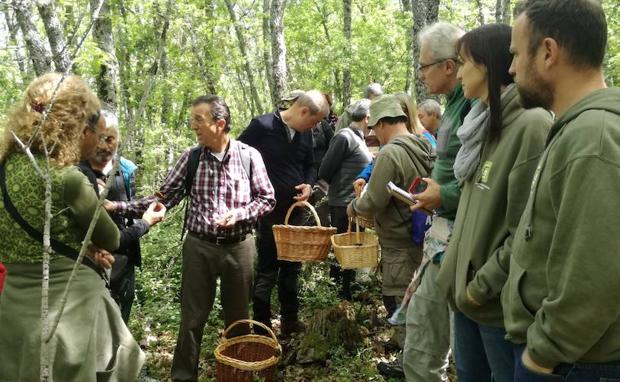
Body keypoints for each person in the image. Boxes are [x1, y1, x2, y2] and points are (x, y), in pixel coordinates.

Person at [107, 95, 275, 382]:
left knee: (238, 320)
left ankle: (235, 375)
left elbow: (267, 198)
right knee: (192, 319)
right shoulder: (192, 157)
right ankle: (183, 377)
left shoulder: (249, 156)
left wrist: (241, 215)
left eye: (199, 119)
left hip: (240, 247)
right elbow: (163, 198)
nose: (192, 126)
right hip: (199, 247)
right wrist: (119, 207)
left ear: (219, 124)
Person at [502, 1, 620, 380]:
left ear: (549, 52)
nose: (512, 68)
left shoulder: (593, 139)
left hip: (573, 364)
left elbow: (596, 276)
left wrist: (543, 353)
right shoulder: (579, 129)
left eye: (517, 54)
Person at [0, 73, 144, 381]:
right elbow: (111, 237)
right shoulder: (66, 179)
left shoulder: (4, 170)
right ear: (75, 128)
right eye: (91, 128)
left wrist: (81, 246)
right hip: (72, 311)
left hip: (14, 312)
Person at [433, 24, 552, 382]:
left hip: (495, 307)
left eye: (464, 62)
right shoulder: (482, 123)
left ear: (487, 66)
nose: (460, 72)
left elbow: (528, 229)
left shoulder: (531, 125)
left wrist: (478, 288)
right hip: (467, 301)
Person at [400, 22, 471, 382]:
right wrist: (436, 190)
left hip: (464, 243)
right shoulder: (454, 107)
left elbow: (492, 185)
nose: (421, 73)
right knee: (422, 334)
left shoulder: (478, 107)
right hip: (440, 237)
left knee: (464, 350)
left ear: (448, 65)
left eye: (425, 65)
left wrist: (444, 194)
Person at [238, 89, 328, 336]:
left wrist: (309, 185)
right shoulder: (262, 126)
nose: (316, 125)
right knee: (268, 270)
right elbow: (236, 158)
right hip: (268, 214)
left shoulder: (306, 133)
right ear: (303, 111)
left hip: (296, 213)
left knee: (291, 270)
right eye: (315, 120)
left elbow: (310, 164)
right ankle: (262, 326)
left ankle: (289, 322)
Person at [347, 95, 434, 318]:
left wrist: (355, 206)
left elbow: (373, 200)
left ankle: (407, 351)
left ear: (383, 123)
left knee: (399, 304)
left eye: (375, 128)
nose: (374, 133)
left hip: (398, 240)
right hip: (423, 235)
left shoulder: (389, 153)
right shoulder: (424, 143)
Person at [79, 109, 164, 323]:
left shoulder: (125, 169)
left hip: (123, 258)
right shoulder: (78, 172)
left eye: (110, 138)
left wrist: (142, 222)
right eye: (99, 137)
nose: (104, 145)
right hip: (89, 261)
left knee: (120, 322)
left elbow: (131, 208)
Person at [318, 99, 373, 300]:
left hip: (356, 204)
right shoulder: (344, 137)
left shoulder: (360, 138)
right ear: (367, 118)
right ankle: (337, 294)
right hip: (342, 204)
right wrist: (339, 190)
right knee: (343, 249)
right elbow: (324, 170)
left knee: (353, 250)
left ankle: (346, 292)